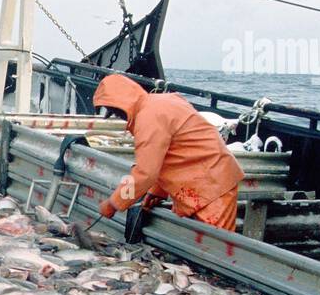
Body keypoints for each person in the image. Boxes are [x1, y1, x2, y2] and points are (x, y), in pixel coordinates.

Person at [92, 73, 244, 231]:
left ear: (121, 103)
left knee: (215, 248)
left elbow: (144, 173)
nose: (119, 117)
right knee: (203, 246)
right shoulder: (161, 102)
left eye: (115, 112)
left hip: (212, 184)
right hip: (205, 180)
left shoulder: (148, 118)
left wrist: (114, 203)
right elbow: (172, 153)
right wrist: (157, 192)